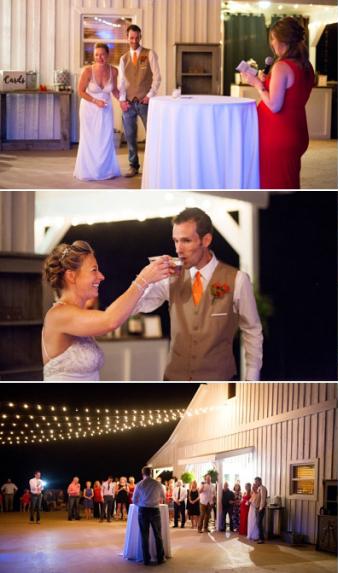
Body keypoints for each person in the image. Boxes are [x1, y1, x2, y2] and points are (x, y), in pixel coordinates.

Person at [134, 207, 263, 381]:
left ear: (206, 240)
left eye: (186, 241)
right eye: (175, 241)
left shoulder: (238, 280)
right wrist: (147, 279)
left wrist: (252, 378)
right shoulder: (169, 278)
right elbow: (138, 307)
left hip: (220, 381)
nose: (178, 249)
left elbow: (252, 329)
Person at [41, 241, 170, 380]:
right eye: (94, 270)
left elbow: (116, 314)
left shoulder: (77, 313)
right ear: (71, 276)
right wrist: (143, 279)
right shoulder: (58, 315)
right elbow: (110, 320)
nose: (101, 276)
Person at [244, 17, 314, 188]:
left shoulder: (281, 66)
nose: (272, 44)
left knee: (274, 183)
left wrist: (257, 84)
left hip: (277, 136)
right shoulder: (306, 66)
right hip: (296, 131)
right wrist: (266, 80)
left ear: (282, 40)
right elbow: (292, 95)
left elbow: (275, 105)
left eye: (273, 39)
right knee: (288, 182)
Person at [118, 25, 161, 178]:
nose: (134, 41)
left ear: (140, 37)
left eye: (137, 37)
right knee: (130, 135)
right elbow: (121, 82)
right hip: (128, 102)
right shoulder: (123, 58)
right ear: (127, 38)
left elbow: (157, 77)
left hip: (145, 102)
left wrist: (150, 95)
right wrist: (122, 100)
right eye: (131, 38)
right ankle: (133, 165)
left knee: (152, 134)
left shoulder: (149, 54)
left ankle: (154, 166)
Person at [74, 43, 121, 181]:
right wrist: (95, 101)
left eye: (102, 54)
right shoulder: (88, 71)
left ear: (108, 55)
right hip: (89, 109)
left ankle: (105, 171)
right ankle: (88, 171)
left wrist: (122, 100)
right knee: (90, 140)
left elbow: (114, 90)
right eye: (96, 54)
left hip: (106, 109)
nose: (99, 57)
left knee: (105, 139)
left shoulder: (114, 71)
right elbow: (80, 92)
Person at [132, 466, 166, 566]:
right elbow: (163, 497)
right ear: (151, 473)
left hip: (143, 510)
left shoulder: (139, 484)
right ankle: (160, 558)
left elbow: (134, 500)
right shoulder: (158, 484)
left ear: (143, 473)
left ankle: (146, 559)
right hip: (155, 510)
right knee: (158, 535)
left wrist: (142, 504)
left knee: (144, 535)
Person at [253, 477, 268, 543]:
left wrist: (261, 508)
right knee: (257, 523)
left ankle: (261, 539)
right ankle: (259, 537)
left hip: (260, 508)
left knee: (259, 523)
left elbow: (263, 499)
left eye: (257, 481)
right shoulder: (258, 488)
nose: (256, 483)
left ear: (260, 481)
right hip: (257, 508)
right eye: (255, 481)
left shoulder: (263, 488)